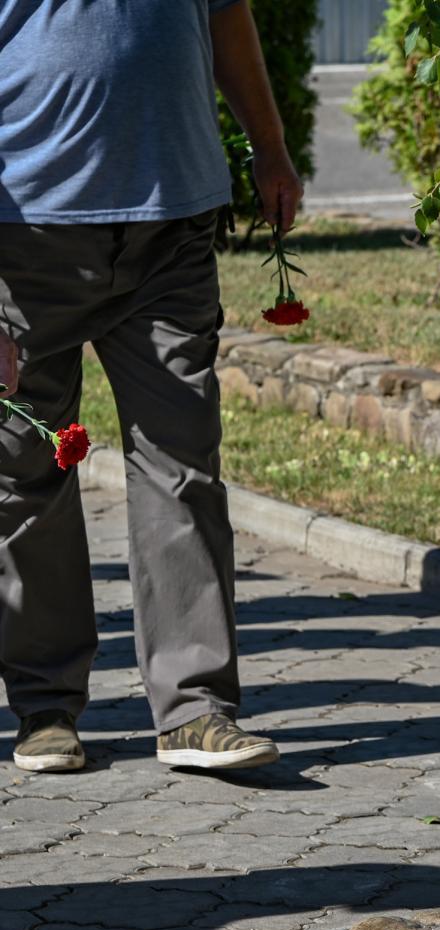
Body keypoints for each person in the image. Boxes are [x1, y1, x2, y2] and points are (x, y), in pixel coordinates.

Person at [0, 0, 298, 772]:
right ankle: (43, 707)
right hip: (26, 233)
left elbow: (227, 16)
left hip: (173, 220)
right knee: (26, 470)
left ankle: (196, 709)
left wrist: (268, 145)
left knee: (183, 462)